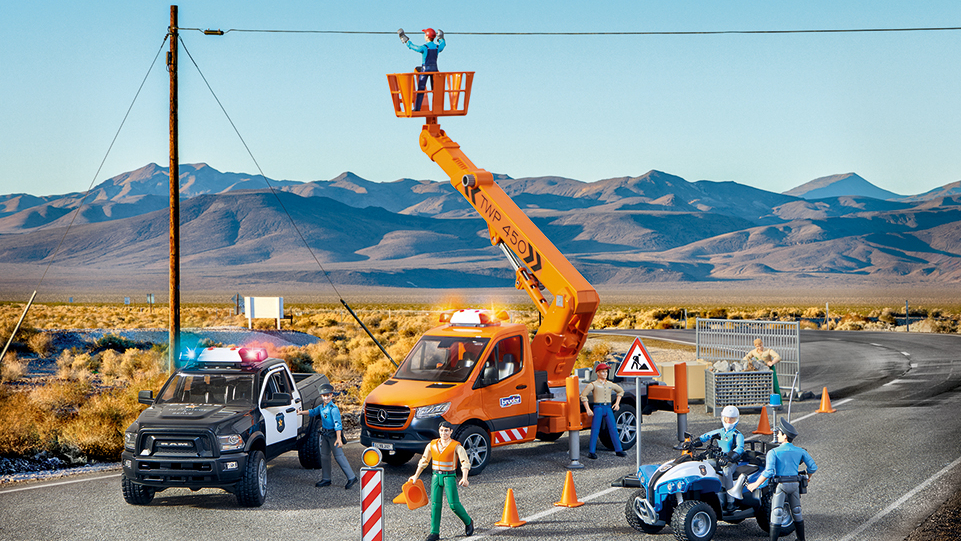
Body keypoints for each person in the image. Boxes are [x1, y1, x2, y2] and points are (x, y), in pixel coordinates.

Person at [746, 418, 817, 541]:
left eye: (779, 433)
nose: (777, 435)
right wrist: (808, 477)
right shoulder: (800, 451)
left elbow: (768, 471)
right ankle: (801, 539)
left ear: (785, 436)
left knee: (777, 512)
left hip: (780, 485)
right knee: (796, 511)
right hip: (794, 484)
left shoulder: (773, 452)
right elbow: (813, 467)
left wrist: (755, 484)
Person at [409, 420, 473, 541]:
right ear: (439, 431)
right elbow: (424, 461)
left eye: (446, 431)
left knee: (454, 504)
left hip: (449, 476)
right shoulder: (432, 445)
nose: (444, 433)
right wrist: (416, 475)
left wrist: (464, 477)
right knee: (435, 505)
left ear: (451, 431)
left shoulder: (456, 446)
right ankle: (434, 532)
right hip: (435, 476)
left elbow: (465, 462)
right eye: (442, 430)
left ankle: (468, 521)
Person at [297, 383, 358, 489]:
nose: (326, 398)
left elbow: (338, 424)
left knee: (339, 456)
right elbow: (312, 412)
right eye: (324, 396)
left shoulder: (333, 409)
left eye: (328, 395)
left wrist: (338, 438)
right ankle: (326, 478)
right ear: (321, 396)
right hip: (325, 434)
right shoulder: (321, 407)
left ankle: (351, 477)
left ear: (331, 395)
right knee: (324, 456)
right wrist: (301, 412)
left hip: (333, 435)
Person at [699, 405, 745, 511]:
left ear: (736, 419)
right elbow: (707, 436)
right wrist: (695, 441)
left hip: (731, 461)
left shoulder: (737, 435)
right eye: (726, 418)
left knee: (727, 471)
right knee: (704, 464)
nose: (728, 421)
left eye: (732, 419)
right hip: (718, 459)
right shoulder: (720, 432)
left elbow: (740, 448)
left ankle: (731, 501)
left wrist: (729, 457)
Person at [579, 362, 627, 459]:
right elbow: (583, 395)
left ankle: (619, 450)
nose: (605, 373)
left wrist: (617, 403)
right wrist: (588, 409)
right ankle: (592, 451)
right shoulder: (593, 384)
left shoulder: (610, 384)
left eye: (606, 372)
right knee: (595, 429)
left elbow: (621, 391)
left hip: (608, 408)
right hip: (598, 408)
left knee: (613, 429)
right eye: (603, 372)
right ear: (597, 373)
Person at [398, 27, 446, 111]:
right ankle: (437, 108)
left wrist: (405, 39)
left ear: (427, 36)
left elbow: (413, 47)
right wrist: (441, 37)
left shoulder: (424, 48)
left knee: (421, 89)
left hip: (425, 69)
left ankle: (417, 108)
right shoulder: (437, 47)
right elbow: (443, 45)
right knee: (436, 89)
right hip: (434, 69)